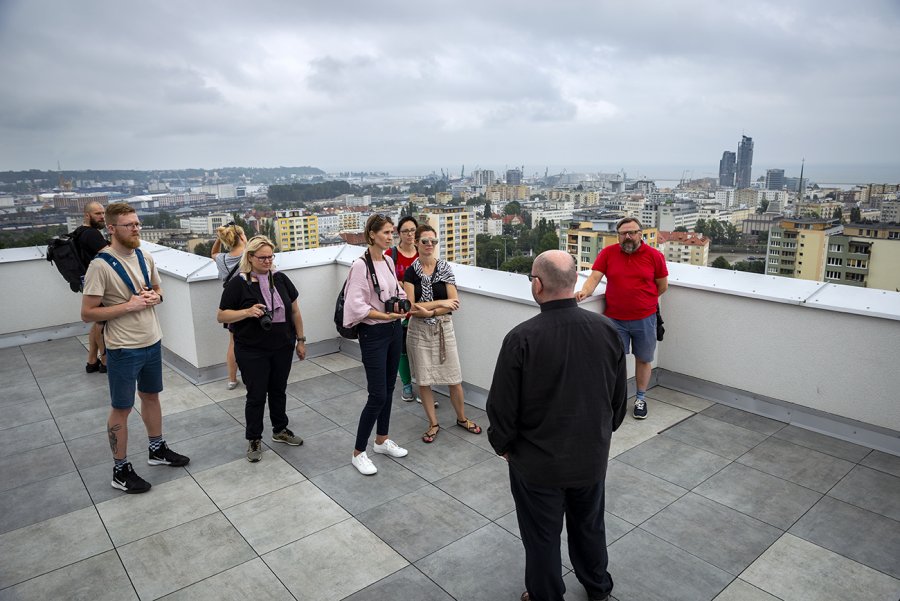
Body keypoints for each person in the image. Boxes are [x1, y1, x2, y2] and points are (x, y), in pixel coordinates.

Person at [487, 250, 627, 601]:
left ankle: (546, 595)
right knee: (590, 527)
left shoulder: (521, 338)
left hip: (538, 466)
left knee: (542, 537)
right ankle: (598, 589)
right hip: (591, 458)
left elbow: (501, 408)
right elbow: (618, 401)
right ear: (574, 282)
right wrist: (599, 437)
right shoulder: (607, 330)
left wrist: (504, 445)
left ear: (538, 284)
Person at [81, 202, 190, 494]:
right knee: (122, 408)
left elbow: (159, 289)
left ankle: (157, 449)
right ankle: (120, 470)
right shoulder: (100, 266)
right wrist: (128, 305)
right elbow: (88, 313)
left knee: (151, 396)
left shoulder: (145, 256)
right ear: (112, 228)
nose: (136, 229)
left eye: (138, 224)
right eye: (129, 225)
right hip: (122, 348)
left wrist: (156, 297)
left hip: (152, 340)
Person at [217, 236, 306, 463]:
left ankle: (280, 430)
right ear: (250, 257)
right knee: (256, 396)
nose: (268, 262)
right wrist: (247, 312)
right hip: (251, 349)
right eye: (262, 258)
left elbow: (294, 311)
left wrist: (301, 340)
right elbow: (222, 315)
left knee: (278, 390)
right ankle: (254, 439)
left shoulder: (281, 279)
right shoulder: (239, 283)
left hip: (282, 346)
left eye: (270, 257)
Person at [575, 217, 668, 419]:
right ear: (618, 236)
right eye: (623, 233)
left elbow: (662, 285)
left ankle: (640, 399)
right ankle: (613, 399)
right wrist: (584, 292)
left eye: (632, 232)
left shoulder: (654, 256)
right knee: (612, 361)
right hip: (614, 320)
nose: (628, 237)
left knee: (643, 359)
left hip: (645, 318)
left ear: (640, 234)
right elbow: (594, 278)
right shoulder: (608, 253)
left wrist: (644, 302)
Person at [343, 213, 409, 475]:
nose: (390, 237)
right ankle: (358, 452)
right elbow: (356, 305)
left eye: (391, 232)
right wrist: (385, 314)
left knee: (389, 387)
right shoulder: (360, 265)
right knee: (377, 394)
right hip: (374, 334)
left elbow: (398, 291)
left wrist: (402, 307)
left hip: (393, 330)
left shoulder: (389, 261)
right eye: (386, 233)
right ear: (371, 234)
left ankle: (381, 440)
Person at [403, 224, 480, 443]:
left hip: (443, 329)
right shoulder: (411, 272)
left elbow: (453, 303)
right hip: (418, 332)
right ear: (416, 242)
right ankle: (433, 423)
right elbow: (410, 305)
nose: (429, 245)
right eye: (425, 241)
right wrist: (438, 303)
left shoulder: (444, 268)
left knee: (454, 379)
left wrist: (429, 310)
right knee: (424, 381)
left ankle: (462, 418)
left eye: (433, 242)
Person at [384, 215, 420, 403]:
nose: (410, 234)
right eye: (405, 231)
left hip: (419, 307)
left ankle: (423, 385)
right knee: (402, 349)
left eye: (413, 230)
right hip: (399, 309)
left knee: (420, 348)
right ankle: (406, 384)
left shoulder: (421, 252)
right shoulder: (391, 255)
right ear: (399, 233)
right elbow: (384, 278)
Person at [211, 221, 247, 390]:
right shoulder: (249, 255)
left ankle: (232, 379)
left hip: (232, 303)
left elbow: (214, 253)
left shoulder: (223, 260)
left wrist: (219, 238)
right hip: (250, 300)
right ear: (241, 236)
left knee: (233, 342)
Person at [75, 201, 110, 373]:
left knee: (97, 322)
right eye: (97, 214)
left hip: (88, 281)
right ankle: (104, 361)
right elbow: (111, 255)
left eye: (103, 213)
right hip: (97, 283)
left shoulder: (79, 232)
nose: (102, 217)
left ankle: (91, 361)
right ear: (87, 215)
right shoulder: (92, 234)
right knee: (101, 323)